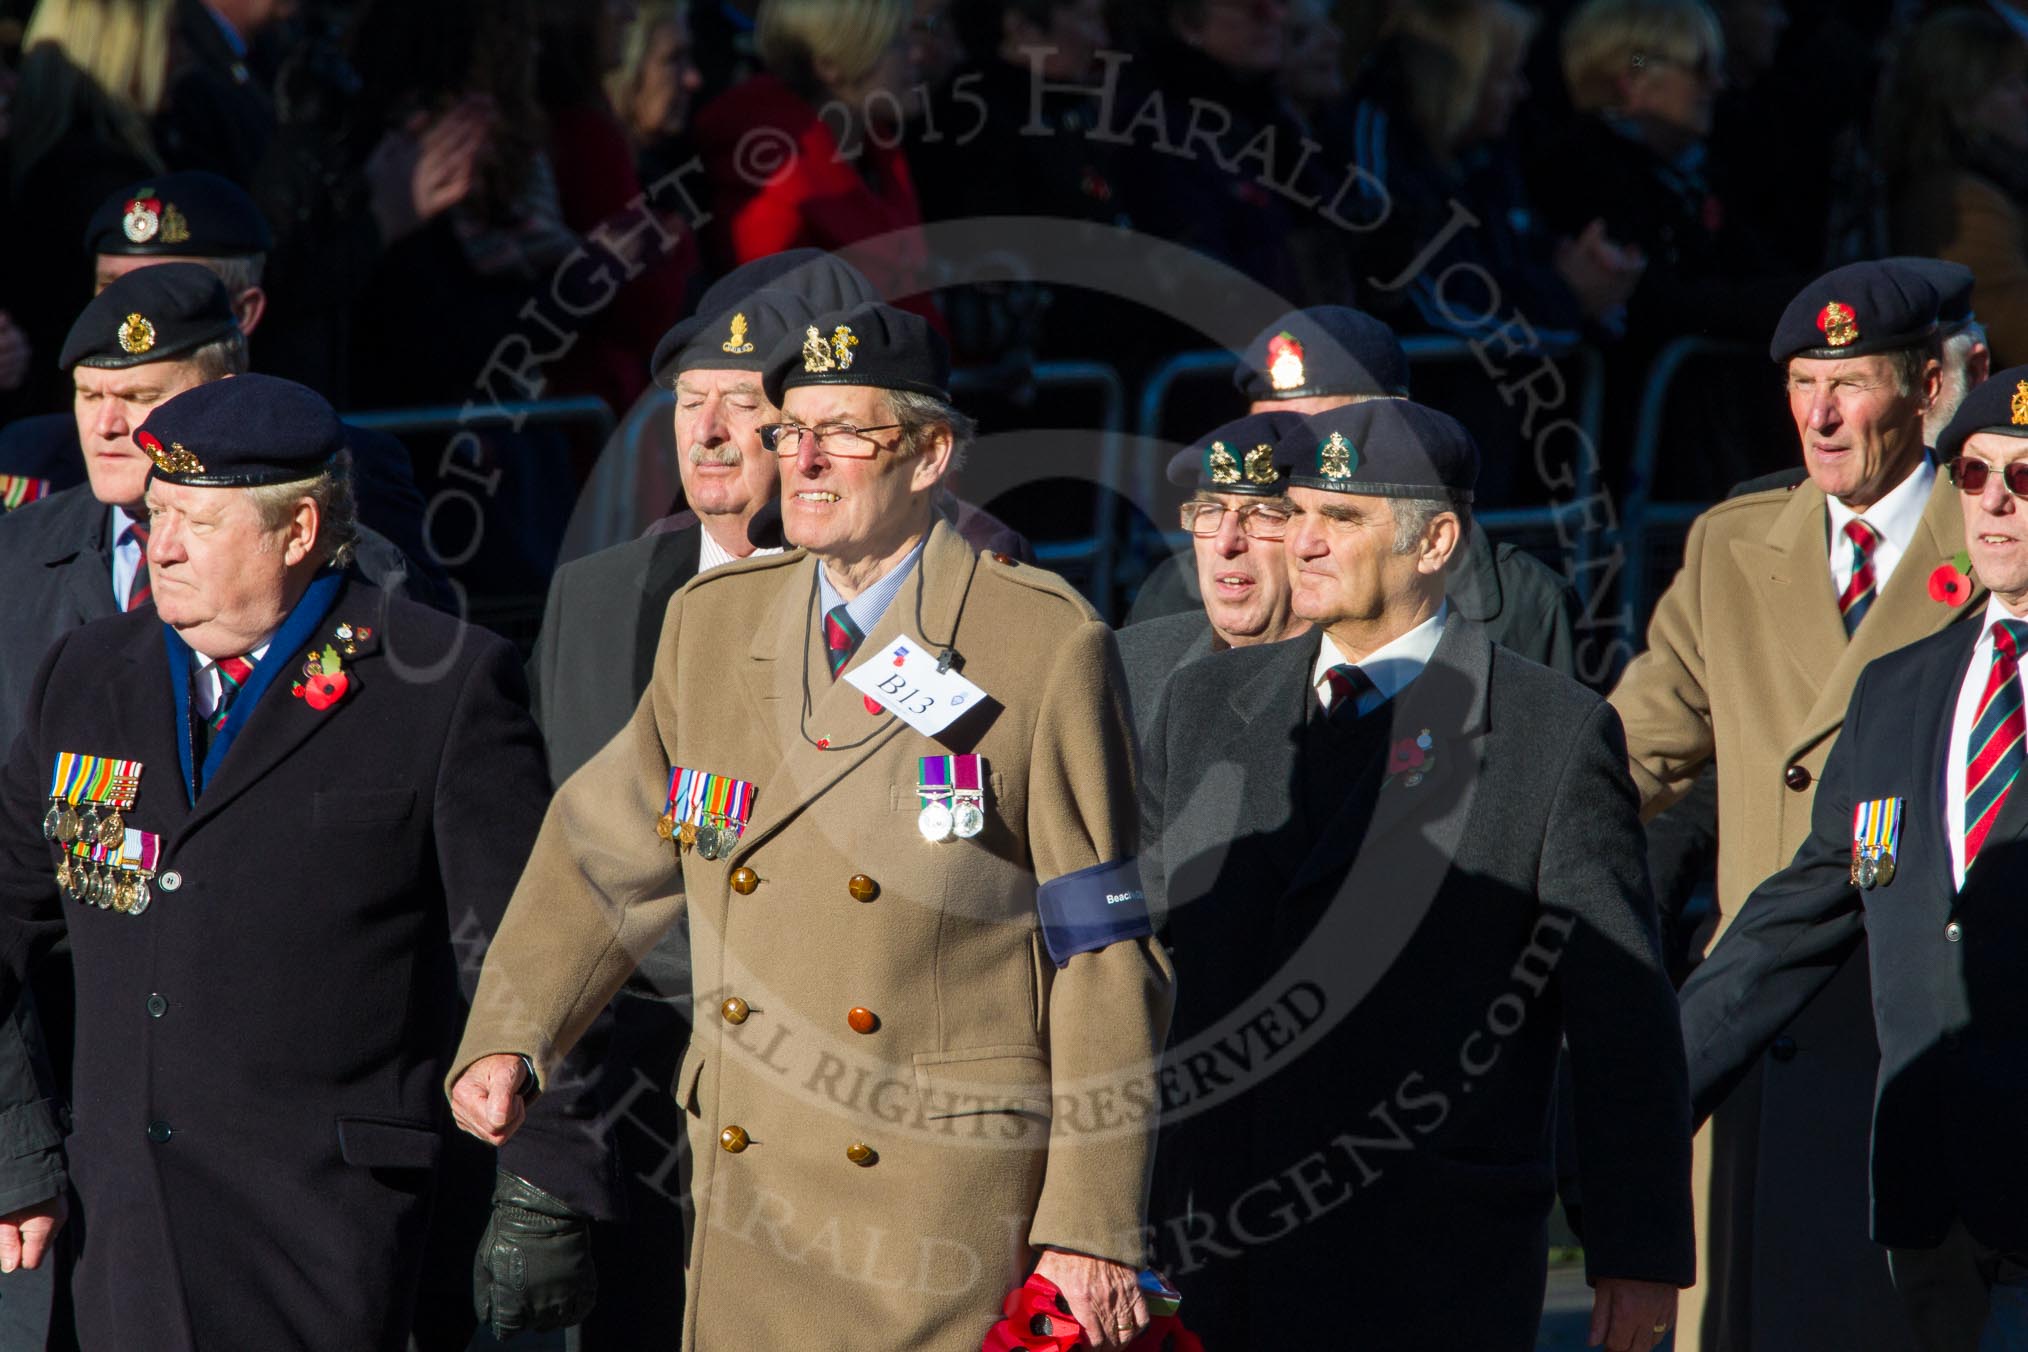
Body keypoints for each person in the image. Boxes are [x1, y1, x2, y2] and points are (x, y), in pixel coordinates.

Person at [449, 300, 1173, 1352]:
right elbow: (606, 850)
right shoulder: (718, 622)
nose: (808, 459)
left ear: (930, 456)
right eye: (792, 431)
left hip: (935, 1209)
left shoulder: (1038, 643)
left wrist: (1090, 1221)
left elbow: (1103, 949)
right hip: (754, 1196)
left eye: (849, 434)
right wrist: (516, 1026)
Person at [0, 373, 612, 1350]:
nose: (158, 545)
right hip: (123, 1232)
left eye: (196, 521)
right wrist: (14, 1144)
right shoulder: (87, 675)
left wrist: (548, 1178)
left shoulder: (437, 682)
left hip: (335, 1235)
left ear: (296, 532)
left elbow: (537, 948)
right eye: (156, 513)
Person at [1140, 398, 1693, 1350]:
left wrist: (1634, 1251)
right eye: (1298, 512)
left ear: (1436, 540)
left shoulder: (1547, 733)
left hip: (1429, 1260)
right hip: (1216, 1249)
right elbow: (1145, 960)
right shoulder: (1205, 699)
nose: (1302, 543)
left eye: (1341, 519)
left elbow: (1621, 1019)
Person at [1610, 261, 1983, 1352]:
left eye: (1851, 383)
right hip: (1755, 1025)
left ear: (1927, 391)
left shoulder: (1993, 530)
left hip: (1907, 1022)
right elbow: (1639, 743)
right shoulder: (1735, 546)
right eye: (1801, 383)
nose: (1819, 413)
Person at [1677, 368, 2028, 1349]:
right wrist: (1648, 1086)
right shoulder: (1900, 689)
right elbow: (1793, 918)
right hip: (1928, 1207)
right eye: (1973, 473)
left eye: (2026, 479)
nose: (1995, 502)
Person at [0, 174, 442, 602]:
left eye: (169, 291)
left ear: (242, 311)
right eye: (112, 289)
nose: (130, 313)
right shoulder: (31, 464)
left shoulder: (338, 468)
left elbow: (414, 643)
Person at [1126, 306, 1583, 675]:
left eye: (1310, 435)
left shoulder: (1518, 603)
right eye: (1261, 431)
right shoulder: (1183, 588)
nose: (1280, 456)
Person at [693, 0, 935, 316]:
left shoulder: (875, 154)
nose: (916, 55)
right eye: (895, 43)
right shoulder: (768, 192)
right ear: (829, 64)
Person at [6, 0, 172, 415]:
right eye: (171, 35)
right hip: (87, 414)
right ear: (133, 46)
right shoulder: (103, 178)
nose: (180, 55)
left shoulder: (31, 160)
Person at [1117, 410, 1307, 734]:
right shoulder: (1125, 667)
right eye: (1210, 511)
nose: (1225, 542)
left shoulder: (1352, 684)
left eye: (1264, 514)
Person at [1878, 6, 2028, 366]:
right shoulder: (1958, 203)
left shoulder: (1993, 185)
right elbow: (2012, 329)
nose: (2026, 98)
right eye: (2010, 85)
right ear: (1959, 100)